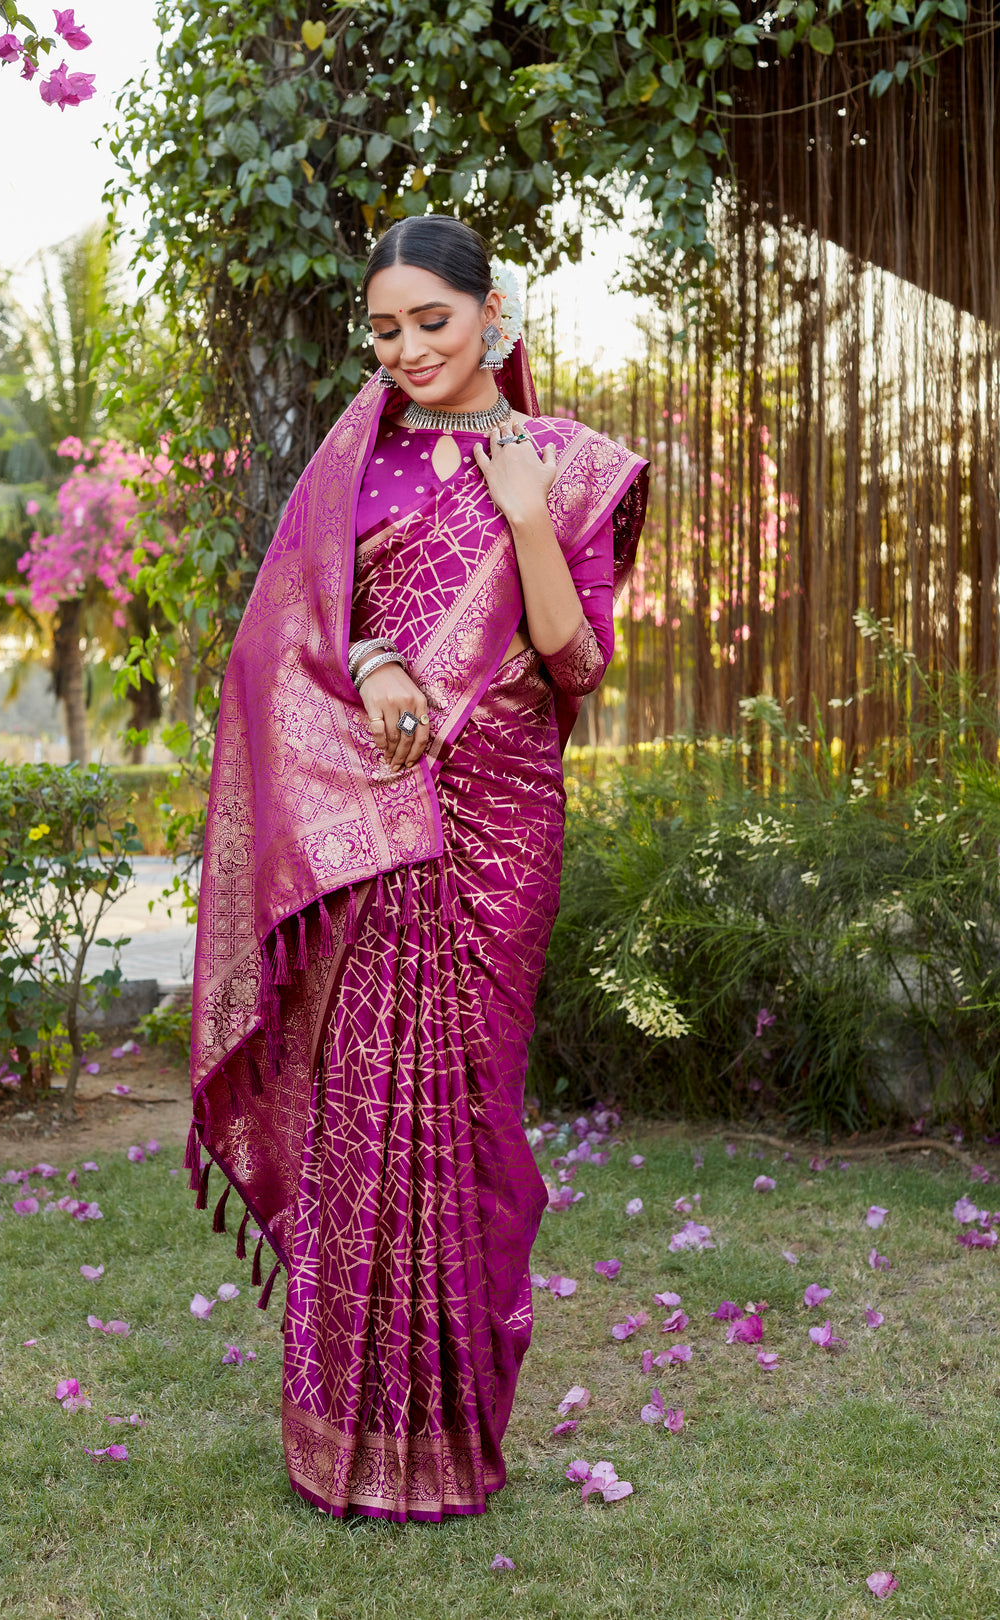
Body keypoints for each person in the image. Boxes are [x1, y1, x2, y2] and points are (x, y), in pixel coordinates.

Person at [188, 216, 648, 1523]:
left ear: (491, 315)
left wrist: (523, 515)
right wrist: (378, 664)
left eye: (430, 324)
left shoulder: (568, 467)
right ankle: (344, 1434)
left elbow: (579, 665)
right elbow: (291, 647)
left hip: (501, 817)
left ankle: (454, 1434)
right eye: (385, 331)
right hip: (374, 816)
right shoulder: (355, 462)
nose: (406, 351)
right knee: (362, 1113)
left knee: (469, 1114)